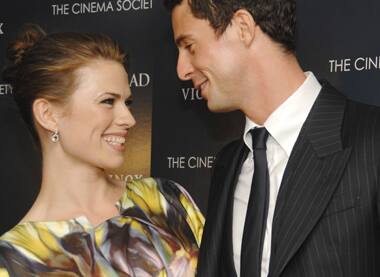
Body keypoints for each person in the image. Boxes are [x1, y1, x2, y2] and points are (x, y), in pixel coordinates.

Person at [164, 0, 380, 277]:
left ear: (243, 27)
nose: (181, 69)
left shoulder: (371, 139)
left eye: (190, 47)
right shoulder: (228, 165)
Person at [0, 24, 204, 277]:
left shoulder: (165, 200)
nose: (128, 118)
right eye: (108, 101)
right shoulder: (16, 260)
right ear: (48, 115)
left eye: (127, 102)